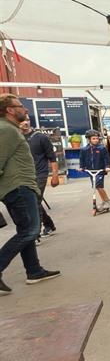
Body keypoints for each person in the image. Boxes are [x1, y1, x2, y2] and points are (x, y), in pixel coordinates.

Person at [0, 93, 61, 295]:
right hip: (18, 187)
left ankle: (34, 271)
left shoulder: (11, 129)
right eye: (20, 106)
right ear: (9, 110)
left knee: (26, 229)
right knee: (30, 231)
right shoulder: (6, 130)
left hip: (21, 186)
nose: (24, 109)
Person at [20, 118, 59, 238]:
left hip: (40, 173)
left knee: (35, 201)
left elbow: (52, 157)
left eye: (27, 120)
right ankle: (49, 224)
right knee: (32, 201)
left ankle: (35, 232)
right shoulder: (16, 138)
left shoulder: (41, 137)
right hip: (24, 175)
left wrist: (55, 176)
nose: (25, 123)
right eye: (22, 121)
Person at [79, 129, 110, 210]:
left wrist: (107, 167)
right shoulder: (84, 150)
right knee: (96, 187)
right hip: (91, 171)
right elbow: (82, 159)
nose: (96, 140)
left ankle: (107, 201)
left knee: (98, 186)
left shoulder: (102, 148)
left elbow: (106, 158)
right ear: (89, 139)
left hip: (100, 170)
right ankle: (104, 201)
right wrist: (81, 167)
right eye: (93, 138)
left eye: (97, 138)